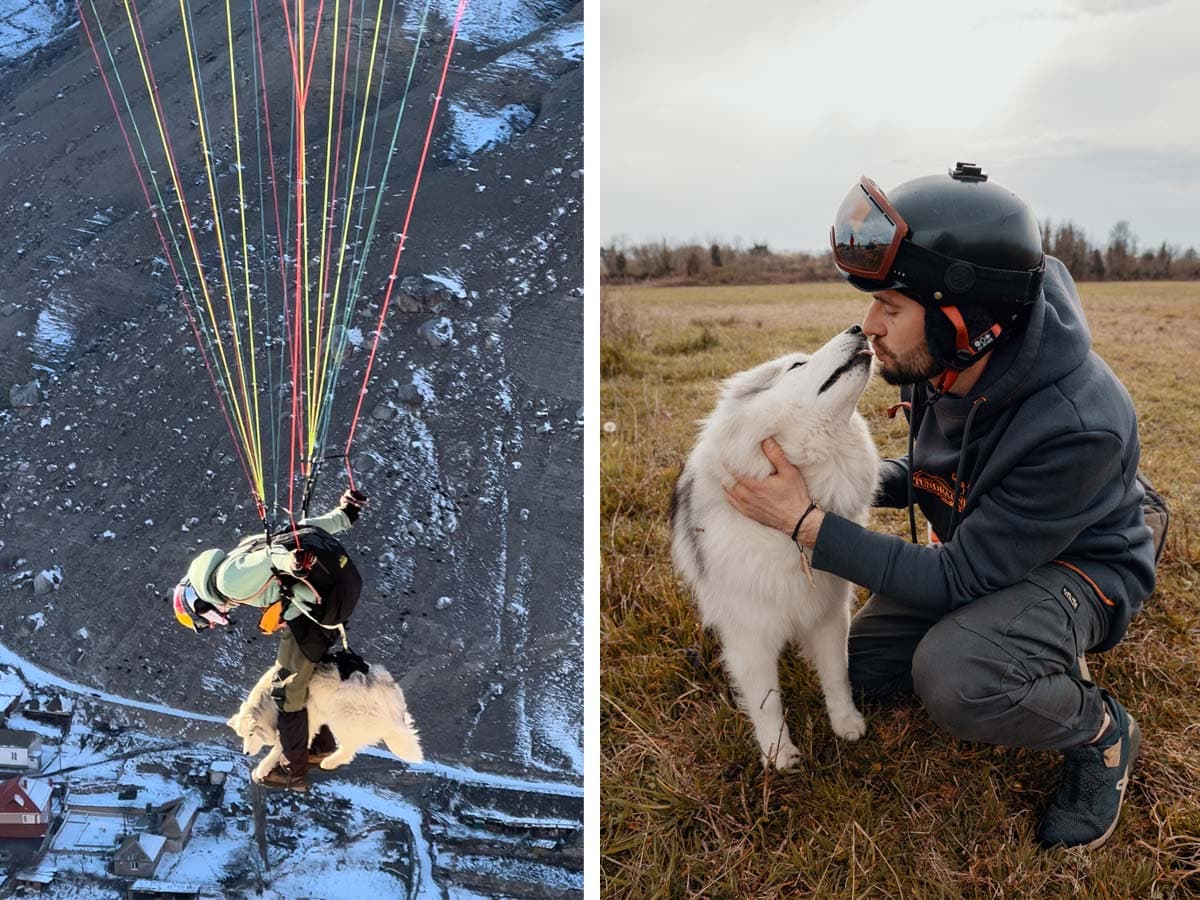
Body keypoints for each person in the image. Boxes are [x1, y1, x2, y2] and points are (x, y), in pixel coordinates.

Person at [724, 163, 1155, 850]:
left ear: (965, 320)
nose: (869, 326)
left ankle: (1100, 731)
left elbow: (956, 577)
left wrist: (805, 524)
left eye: (890, 309)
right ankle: (1006, 635)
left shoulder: (1078, 424)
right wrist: (816, 482)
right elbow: (936, 476)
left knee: (956, 676)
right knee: (860, 669)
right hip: (992, 544)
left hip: (1083, 571)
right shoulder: (951, 362)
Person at [172, 488, 368, 791]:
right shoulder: (241, 550)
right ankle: (320, 745)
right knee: (306, 676)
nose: (218, 618)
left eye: (207, 618)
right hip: (338, 584)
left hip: (325, 604)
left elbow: (273, 556)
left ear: (200, 600)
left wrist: (292, 564)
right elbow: (301, 533)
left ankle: (294, 771)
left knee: (287, 689)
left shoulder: (228, 582)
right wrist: (345, 515)